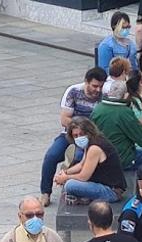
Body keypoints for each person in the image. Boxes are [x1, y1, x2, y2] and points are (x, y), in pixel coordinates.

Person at [40, 67, 106, 208]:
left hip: (91, 137)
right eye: (95, 86)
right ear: (86, 82)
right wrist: (80, 128)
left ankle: (71, 188)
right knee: (51, 156)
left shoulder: (104, 95)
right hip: (69, 134)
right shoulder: (73, 91)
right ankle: (45, 192)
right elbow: (64, 119)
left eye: (100, 86)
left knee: (78, 157)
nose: (98, 90)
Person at [91, 80, 142, 171]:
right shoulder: (124, 112)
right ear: (126, 95)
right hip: (123, 158)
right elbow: (141, 137)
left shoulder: (98, 109)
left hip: (102, 155)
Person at [54, 118, 127, 204]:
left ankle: (85, 198)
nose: (79, 138)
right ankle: (85, 197)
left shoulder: (94, 148)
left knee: (70, 185)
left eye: (81, 134)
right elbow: (82, 164)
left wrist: (65, 178)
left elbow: (84, 176)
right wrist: (65, 172)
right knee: (70, 183)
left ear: (88, 132)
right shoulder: (90, 143)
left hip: (111, 192)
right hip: (104, 185)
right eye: (75, 136)